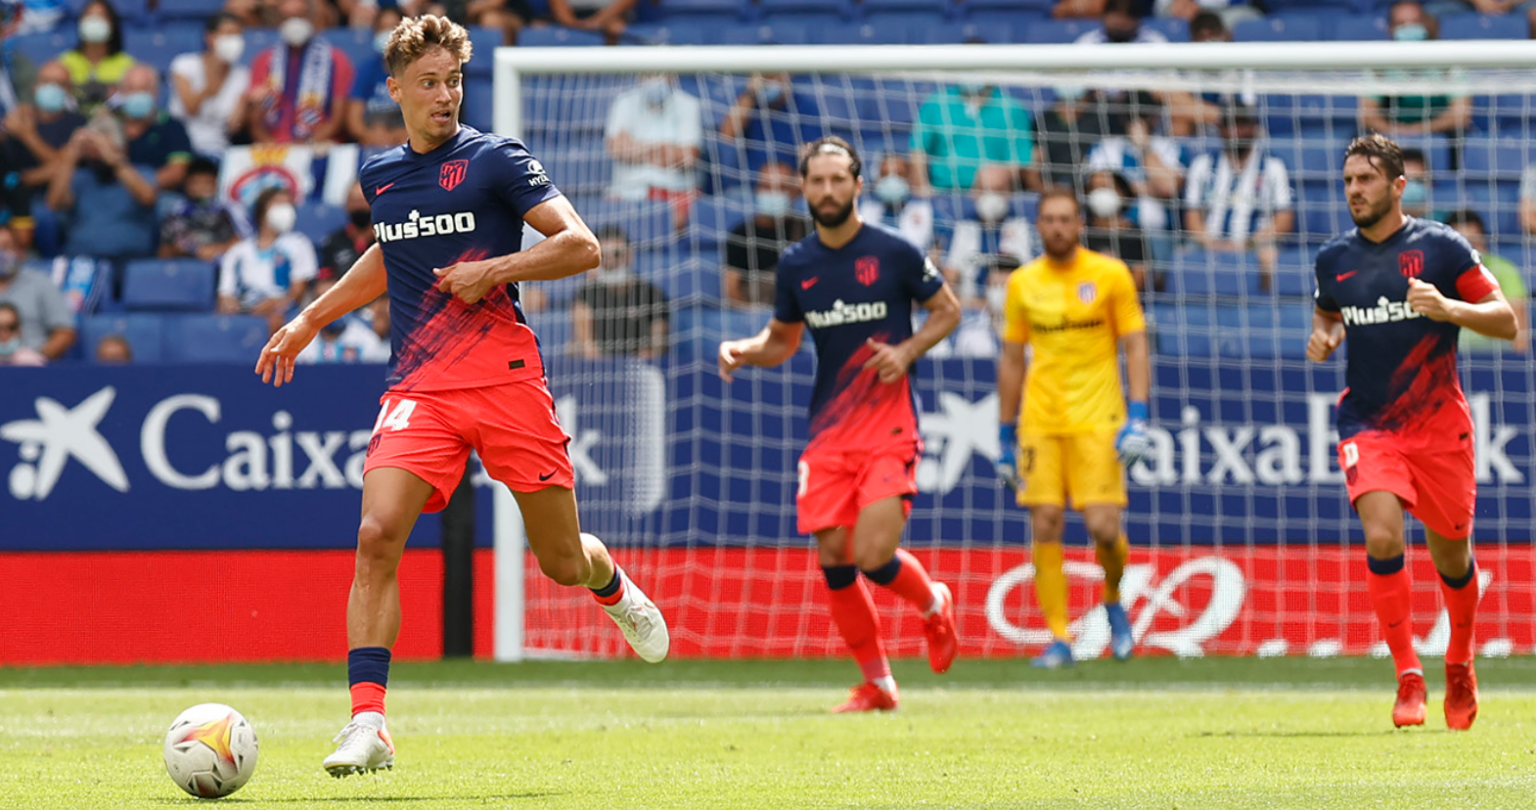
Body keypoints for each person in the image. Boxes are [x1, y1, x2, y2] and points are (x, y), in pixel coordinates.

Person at [254, 14, 669, 776]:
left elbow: (583, 246)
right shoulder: (380, 175)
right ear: (396, 91)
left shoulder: (495, 160)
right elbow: (391, 252)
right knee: (378, 534)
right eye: (429, 84)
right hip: (420, 386)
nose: (445, 96)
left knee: (560, 564)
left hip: (506, 380)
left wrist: (496, 269)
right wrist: (311, 317)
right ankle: (369, 722)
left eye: (454, 82)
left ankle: (607, 580)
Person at [717, 136, 961, 713]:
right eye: (817, 181)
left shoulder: (895, 252)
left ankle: (933, 605)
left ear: (857, 185)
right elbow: (782, 340)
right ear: (804, 189)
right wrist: (745, 350)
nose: (827, 190)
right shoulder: (798, 265)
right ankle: (878, 684)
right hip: (829, 432)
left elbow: (948, 310)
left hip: (888, 424)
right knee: (834, 557)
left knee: (874, 554)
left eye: (837, 180)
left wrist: (906, 352)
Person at [1308, 134, 1516, 730]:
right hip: (1368, 422)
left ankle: (1459, 658)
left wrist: (1450, 309)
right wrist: (1325, 337)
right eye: (1348, 181)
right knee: (1381, 536)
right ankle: (1407, 675)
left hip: (1438, 425)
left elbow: (1505, 321)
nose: (1354, 191)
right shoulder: (1333, 259)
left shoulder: (1442, 249)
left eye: (1366, 180)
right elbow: (1327, 315)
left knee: (1451, 550)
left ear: (1399, 186)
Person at [994, 188, 1151, 670]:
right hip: (1040, 421)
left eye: (1066, 219)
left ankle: (1111, 597)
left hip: (1098, 418)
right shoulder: (1022, 283)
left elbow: (1136, 345)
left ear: (1080, 225)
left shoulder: (1109, 274)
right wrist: (1004, 432)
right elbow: (1012, 359)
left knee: (1104, 529)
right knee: (1044, 523)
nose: (1058, 227)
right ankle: (1060, 637)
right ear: (1038, 226)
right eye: (1049, 219)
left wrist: (1138, 413)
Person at [1183, 101, 1294, 282]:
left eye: (1242, 124)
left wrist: (1248, 244)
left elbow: (1284, 220)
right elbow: (1192, 216)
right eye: (1230, 124)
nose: (1236, 131)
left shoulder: (1273, 167)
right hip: (1208, 243)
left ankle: (1264, 309)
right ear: (1220, 128)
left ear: (1254, 127)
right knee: (1180, 260)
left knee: (1270, 258)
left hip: (1255, 244)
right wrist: (1213, 244)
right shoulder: (1202, 165)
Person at [45, 113, 157, 261]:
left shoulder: (142, 173)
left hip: (131, 259)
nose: (97, 155)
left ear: (122, 148)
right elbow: (54, 203)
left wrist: (114, 159)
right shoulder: (80, 177)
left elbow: (147, 197)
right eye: (92, 151)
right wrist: (70, 156)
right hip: (83, 258)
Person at [248, 0, 355, 144]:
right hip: (272, 146)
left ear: (312, 18)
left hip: (318, 144)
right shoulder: (264, 60)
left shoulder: (336, 59)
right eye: (289, 18)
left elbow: (338, 118)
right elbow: (255, 119)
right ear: (280, 20)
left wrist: (306, 145)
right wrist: (269, 143)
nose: (295, 24)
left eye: (300, 16)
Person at [1360, 2, 1471, 139]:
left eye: (1415, 22)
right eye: (1401, 24)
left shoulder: (1447, 62)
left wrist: (1418, 130)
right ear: (1390, 29)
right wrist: (1397, 132)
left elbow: (1460, 115)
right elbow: (1368, 116)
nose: (1409, 28)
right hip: (1391, 137)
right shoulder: (1379, 65)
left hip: (1442, 137)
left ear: (1426, 24)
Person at [1084, 93, 1185, 236]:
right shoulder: (1105, 147)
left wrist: (1144, 147)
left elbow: (1168, 188)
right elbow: (1097, 187)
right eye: (1130, 115)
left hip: (1156, 233)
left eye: (1142, 115)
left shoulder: (1168, 147)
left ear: (1154, 117)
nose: (1135, 121)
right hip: (1112, 229)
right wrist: (1146, 188)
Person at [909, 80, 1035, 194]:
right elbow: (918, 150)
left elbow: (1019, 161)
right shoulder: (937, 102)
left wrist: (992, 183)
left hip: (991, 195)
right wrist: (923, 188)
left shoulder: (1011, 108)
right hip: (940, 191)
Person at [219, 186, 316, 331]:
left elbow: (297, 292)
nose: (285, 209)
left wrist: (275, 305)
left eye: (288, 204)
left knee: (276, 322)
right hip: (245, 310)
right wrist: (235, 307)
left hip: (282, 312)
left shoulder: (299, 244)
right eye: (278, 204)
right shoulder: (238, 251)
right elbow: (225, 294)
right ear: (262, 210)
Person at [941, 164, 1034, 307]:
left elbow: (1030, 278)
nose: (990, 196)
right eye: (984, 190)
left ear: (1009, 192)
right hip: (969, 311)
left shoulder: (1022, 228)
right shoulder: (963, 228)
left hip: (1012, 308)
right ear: (974, 192)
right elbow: (949, 281)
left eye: (998, 190)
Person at [571, 226, 669, 360]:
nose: (610, 261)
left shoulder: (651, 293)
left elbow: (657, 346)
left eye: (617, 254)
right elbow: (586, 345)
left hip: (639, 366)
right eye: (604, 255)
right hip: (600, 366)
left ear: (629, 255)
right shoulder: (586, 294)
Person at [604, 73, 700, 206]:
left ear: (671, 77)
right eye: (649, 75)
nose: (655, 80)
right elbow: (616, 149)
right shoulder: (624, 102)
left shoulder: (689, 104)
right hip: (627, 193)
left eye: (660, 74)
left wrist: (634, 148)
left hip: (676, 192)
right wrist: (662, 148)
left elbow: (687, 157)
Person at [723, 162, 809, 307]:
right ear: (757, 189)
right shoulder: (742, 233)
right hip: (759, 314)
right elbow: (731, 290)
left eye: (781, 188)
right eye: (766, 187)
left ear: (795, 192)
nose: (773, 194)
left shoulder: (808, 229)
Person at [2, 60, 87, 205]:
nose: (51, 88)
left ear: (69, 90)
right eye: (46, 81)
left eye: (60, 84)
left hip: (57, 197)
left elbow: (64, 166)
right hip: (13, 197)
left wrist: (27, 135)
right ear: (35, 86)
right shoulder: (19, 116)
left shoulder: (78, 123)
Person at [1445, 209, 1529, 353]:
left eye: (1473, 242)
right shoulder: (1435, 273)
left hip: (1494, 357)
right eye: (1461, 244)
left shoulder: (1505, 270)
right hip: (1449, 357)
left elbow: (1520, 336)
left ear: (1483, 240)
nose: (1468, 249)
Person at [169, 12, 252, 158]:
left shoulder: (243, 76)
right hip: (181, 145)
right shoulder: (184, 65)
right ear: (210, 37)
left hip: (218, 150)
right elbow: (191, 109)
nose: (234, 40)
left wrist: (247, 103)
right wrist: (210, 84)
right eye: (228, 34)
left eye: (238, 35)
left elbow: (234, 127)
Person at [718, 72, 822, 174]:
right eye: (766, 77)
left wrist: (789, 179)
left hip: (791, 185)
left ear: (788, 77)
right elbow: (726, 136)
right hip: (751, 185)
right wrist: (750, 94)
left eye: (776, 77)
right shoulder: (745, 102)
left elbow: (810, 153)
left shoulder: (806, 108)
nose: (771, 82)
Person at [0, 226, 74, 360]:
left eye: (5, 247)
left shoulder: (41, 283)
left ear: (19, 251)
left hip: (30, 365)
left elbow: (65, 332)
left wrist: (38, 359)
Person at [117, 65, 194, 192]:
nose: (137, 94)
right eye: (131, 89)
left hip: (157, 192)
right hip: (114, 193)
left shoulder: (172, 126)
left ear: (155, 92)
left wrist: (139, 188)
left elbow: (178, 171)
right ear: (121, 92)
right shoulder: (108, 124)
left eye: (144, 89)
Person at [160, 156, 249, 261]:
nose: (201, 188)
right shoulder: (176, 213)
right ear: (186, 185)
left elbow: (244, 241)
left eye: (207, 183)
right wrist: (178, 250)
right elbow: (163, 252)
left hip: (222, 265)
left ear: (216, 184)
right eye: (196, 183)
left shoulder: (228, 211)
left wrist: (219, 249)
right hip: (188, 267)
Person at [347, 6, 408, 148]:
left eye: (394, 28)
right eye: (383, 28)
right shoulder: (366, 69)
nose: (388, 33)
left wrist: (409, 133)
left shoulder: (417, 70)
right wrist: (368, 135)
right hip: (373, 144)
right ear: (375, 32)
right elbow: (353, 119)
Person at [59, 0, 134, 114]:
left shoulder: (126, 64)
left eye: (101, 16)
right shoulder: (65, 62)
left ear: (112, 23)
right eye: (89, 15)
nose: (94, 20)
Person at [1084, 170, 1153, 291]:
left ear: (1121, 192)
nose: (1100, 194)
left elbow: (1139, 279)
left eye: (1106, 188)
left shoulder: (1135, 235)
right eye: (1094, 188)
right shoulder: (1081, 233)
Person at [857, 153, 934, 253]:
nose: (891, 180)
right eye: (885, 174)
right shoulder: (864, 211)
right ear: (877, 179)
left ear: (908, 178)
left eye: (899, 174)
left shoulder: (924, 211)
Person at [318, 183, 375, 281]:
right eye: (354, 201)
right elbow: (324, 284)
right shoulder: (333, 242)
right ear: (346, 205)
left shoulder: (385, 240)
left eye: (363, 200)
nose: (359, 206)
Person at [548, 0, 637, 41]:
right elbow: (563, 16)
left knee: (615, 29)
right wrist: (573, 23)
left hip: (614, 20)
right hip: (572, 22)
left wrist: (599, 21)